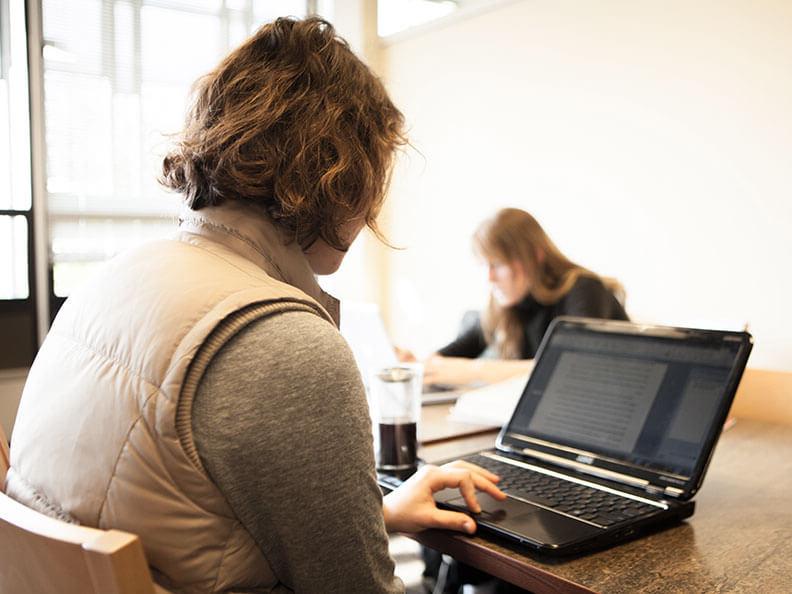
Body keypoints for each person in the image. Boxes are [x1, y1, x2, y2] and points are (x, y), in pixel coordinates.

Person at [5, 17, 504, 593]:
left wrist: (375, 517)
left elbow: (179, 518)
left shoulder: (112, 279)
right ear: (342, 175)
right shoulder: (284, 343)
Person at [437, 207, 628, 361]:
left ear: (535, 256)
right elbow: (449, 355)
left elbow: (574, 366)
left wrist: (471, 372)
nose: (490, 277)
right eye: (484, 266)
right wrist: (419, 364)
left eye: (497, 264)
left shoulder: (583, 288)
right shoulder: (508, 305)